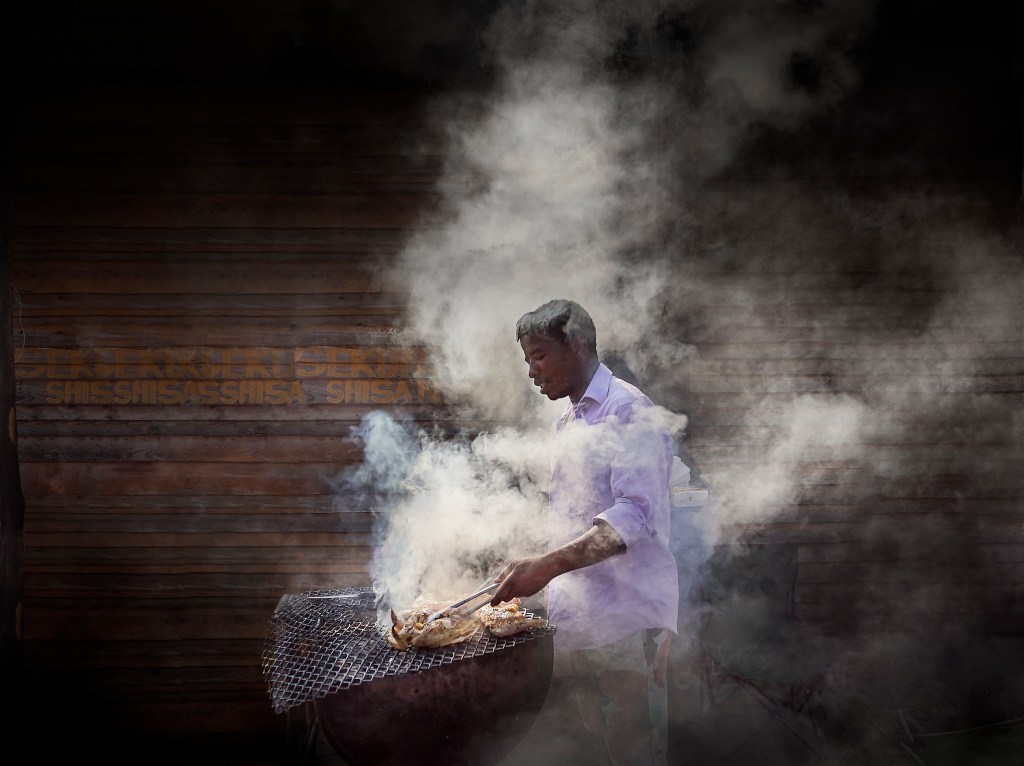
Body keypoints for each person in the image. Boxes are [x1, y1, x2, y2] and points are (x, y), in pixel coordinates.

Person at [491, 298, 679, 766]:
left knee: (633, 754)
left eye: (539, 355)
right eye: (527, 360)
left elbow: (635, 516)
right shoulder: (571, 421)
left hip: (627, 626)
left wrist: (547, 566)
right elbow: (578, 518)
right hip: (584, 623)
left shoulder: (629, 410)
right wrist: (533, 562)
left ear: (576, 344)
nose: (532, 371)